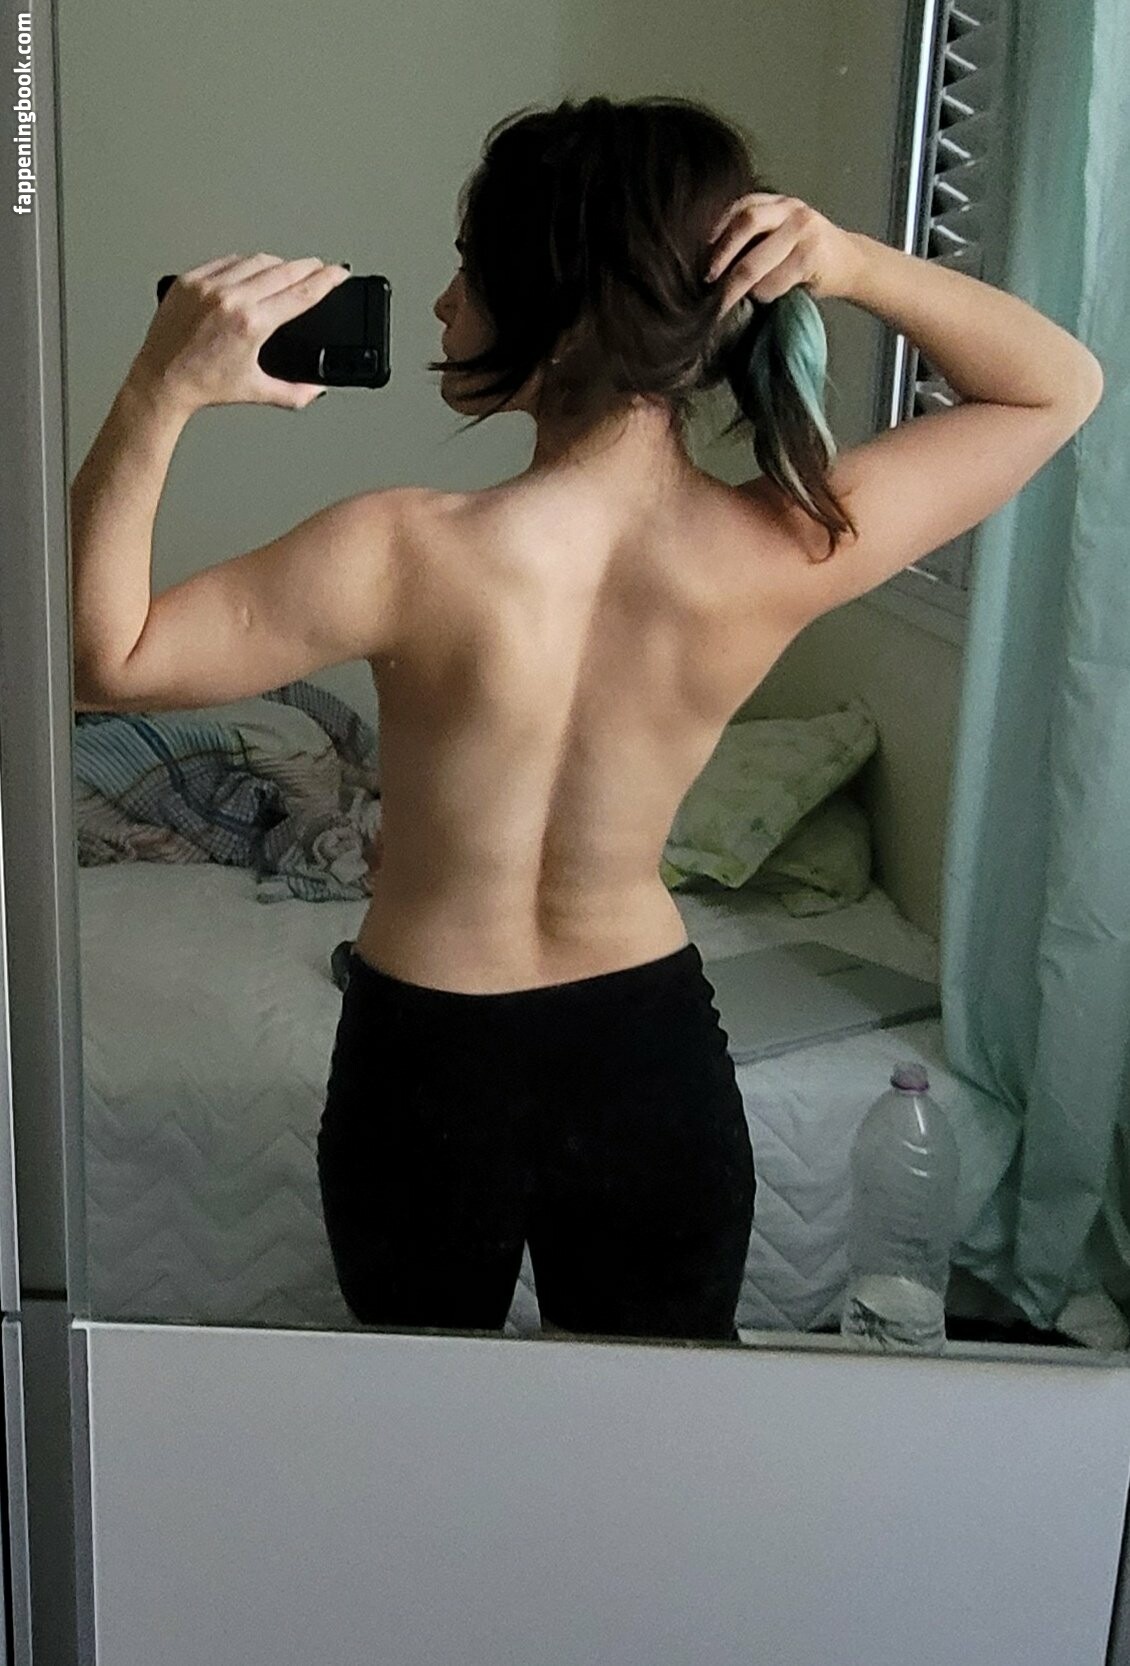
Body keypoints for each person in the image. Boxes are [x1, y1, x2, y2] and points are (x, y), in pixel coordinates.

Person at [70, 96, 1102, 1343]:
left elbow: (100, 660)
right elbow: (1055, 387)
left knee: (416, 1415)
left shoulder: (400, 549)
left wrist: (159, 389)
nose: (443, 304)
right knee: (647, 1431)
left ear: (557, 320)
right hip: (642, 1048)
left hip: (426, 1055)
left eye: (469, 270)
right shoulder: (779, 543)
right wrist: (846, 263)